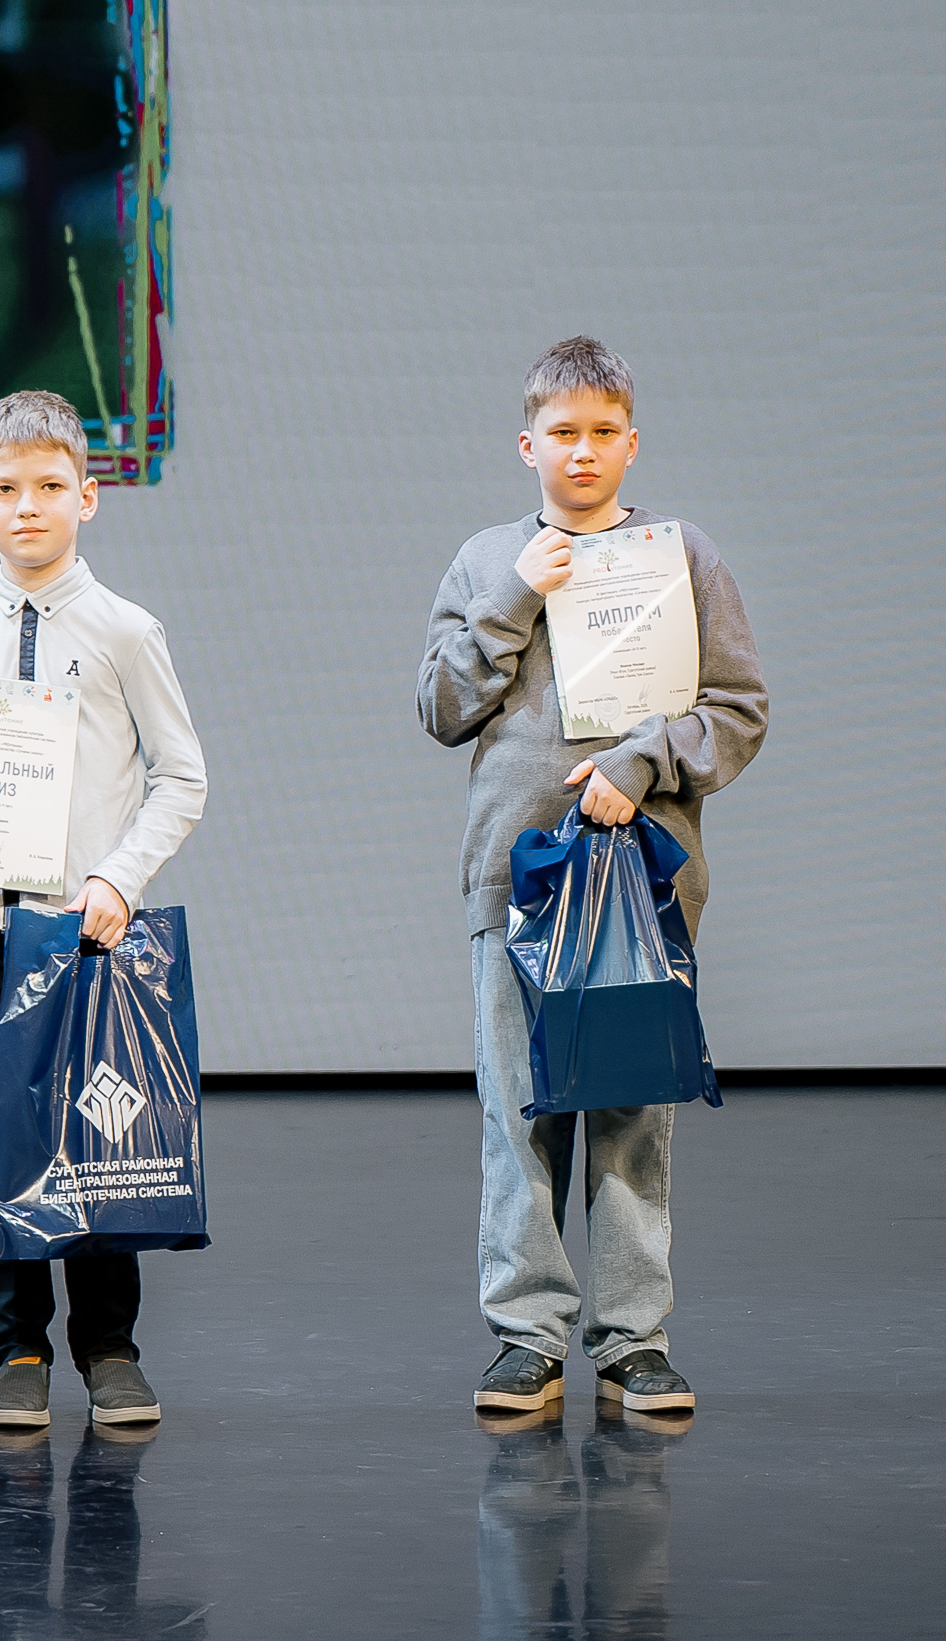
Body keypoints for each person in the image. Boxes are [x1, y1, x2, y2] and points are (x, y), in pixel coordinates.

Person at [419, 337, 764, 1419]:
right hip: (513, 879)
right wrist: (514, 597)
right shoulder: (487, 559)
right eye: (562, 432)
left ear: (632, 442)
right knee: (518, 1117)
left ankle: (632, 1342)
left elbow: (738, 710)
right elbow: (440, 708)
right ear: (527, 445)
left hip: (640, 886)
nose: (582, 450)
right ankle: (527, 1340)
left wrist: (640, 763)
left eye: (603, 432)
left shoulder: (682, 555)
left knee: (628, 1115)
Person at [0, 390, 205, 1432]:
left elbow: (183, 777)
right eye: (5, 488)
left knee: (99, 1124)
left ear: (88, 496)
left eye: (48, 486)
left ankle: (109, 1347)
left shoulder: (125, 631)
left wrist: (118, 880)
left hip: (87, 927)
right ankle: (18, 1347)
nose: (26, 506)